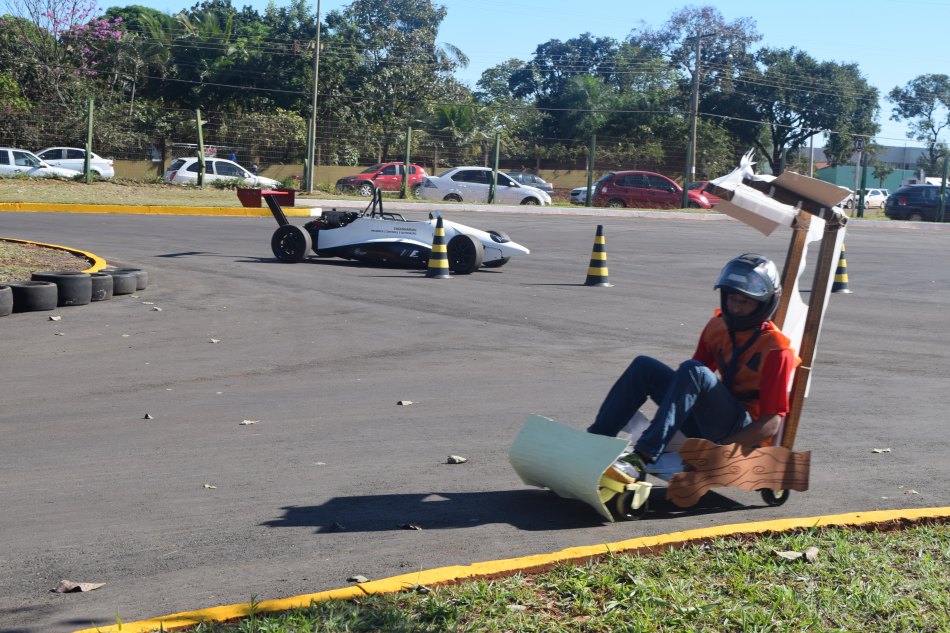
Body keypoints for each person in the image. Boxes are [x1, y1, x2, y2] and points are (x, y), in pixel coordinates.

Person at [587, 253, 800, 476]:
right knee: (644, 367)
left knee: (693, 370)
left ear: (764, 304)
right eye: (732, 298)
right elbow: (687, 385)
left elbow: (771, 423)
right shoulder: (716, 327)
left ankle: (642, 457)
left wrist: (716, 454)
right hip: (709, 422)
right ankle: (595, 441)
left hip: (743, 433)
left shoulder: (777, 350)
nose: (736, 307)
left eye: (745, 302)